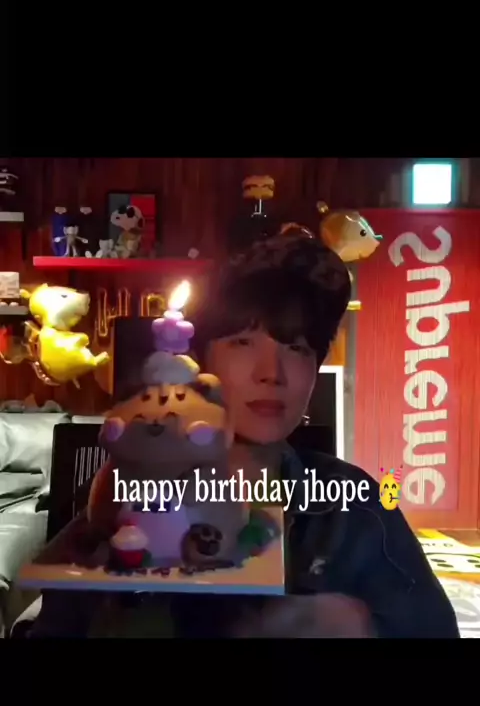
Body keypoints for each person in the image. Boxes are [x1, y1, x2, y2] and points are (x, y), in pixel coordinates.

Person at [16, 233, 459, 638]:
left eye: (297, 348)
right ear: (199, 362)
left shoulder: (350, 506)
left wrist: (357, 624)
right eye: (243, 342)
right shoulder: (127, 491)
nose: (272, 373)